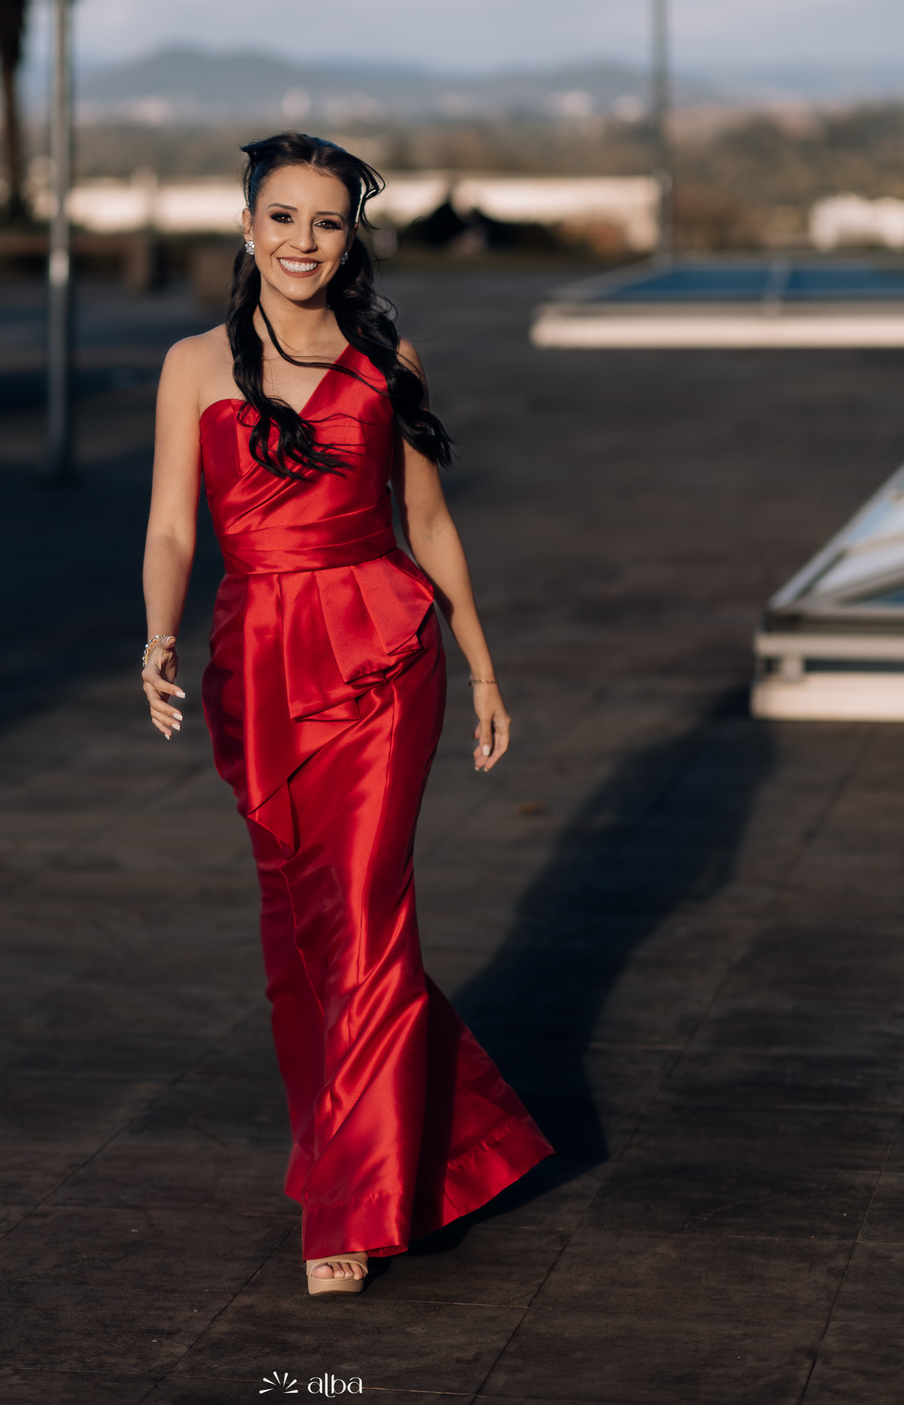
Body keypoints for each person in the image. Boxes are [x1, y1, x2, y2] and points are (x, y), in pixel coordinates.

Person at [142, 132, 551, 1297]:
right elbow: (171, 526)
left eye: (326, 221)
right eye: (282, 217)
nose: (303, 241)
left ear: (350, 235)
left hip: (382, 654)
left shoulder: (386, 358)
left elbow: (429, 522)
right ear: (247, 226)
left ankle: (353, 1207)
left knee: (366, 919)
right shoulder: (192, 366)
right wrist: (159, 633)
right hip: (256, 664)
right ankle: (391, 1141)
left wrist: (481, 664)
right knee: (297, 930)